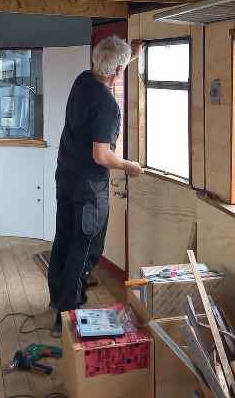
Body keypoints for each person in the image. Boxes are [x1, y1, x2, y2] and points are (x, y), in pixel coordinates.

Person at [47, 35, 144, 332]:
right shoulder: (108, 106)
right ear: (118, 71)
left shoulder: (83, 80)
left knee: (64, 238)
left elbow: (108, 67)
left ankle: (56, 299)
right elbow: (101, 155)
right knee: (86, 247)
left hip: (66, 176)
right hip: (89, 188)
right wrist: (129, 165)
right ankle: (67, 314)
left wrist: (129, 56)